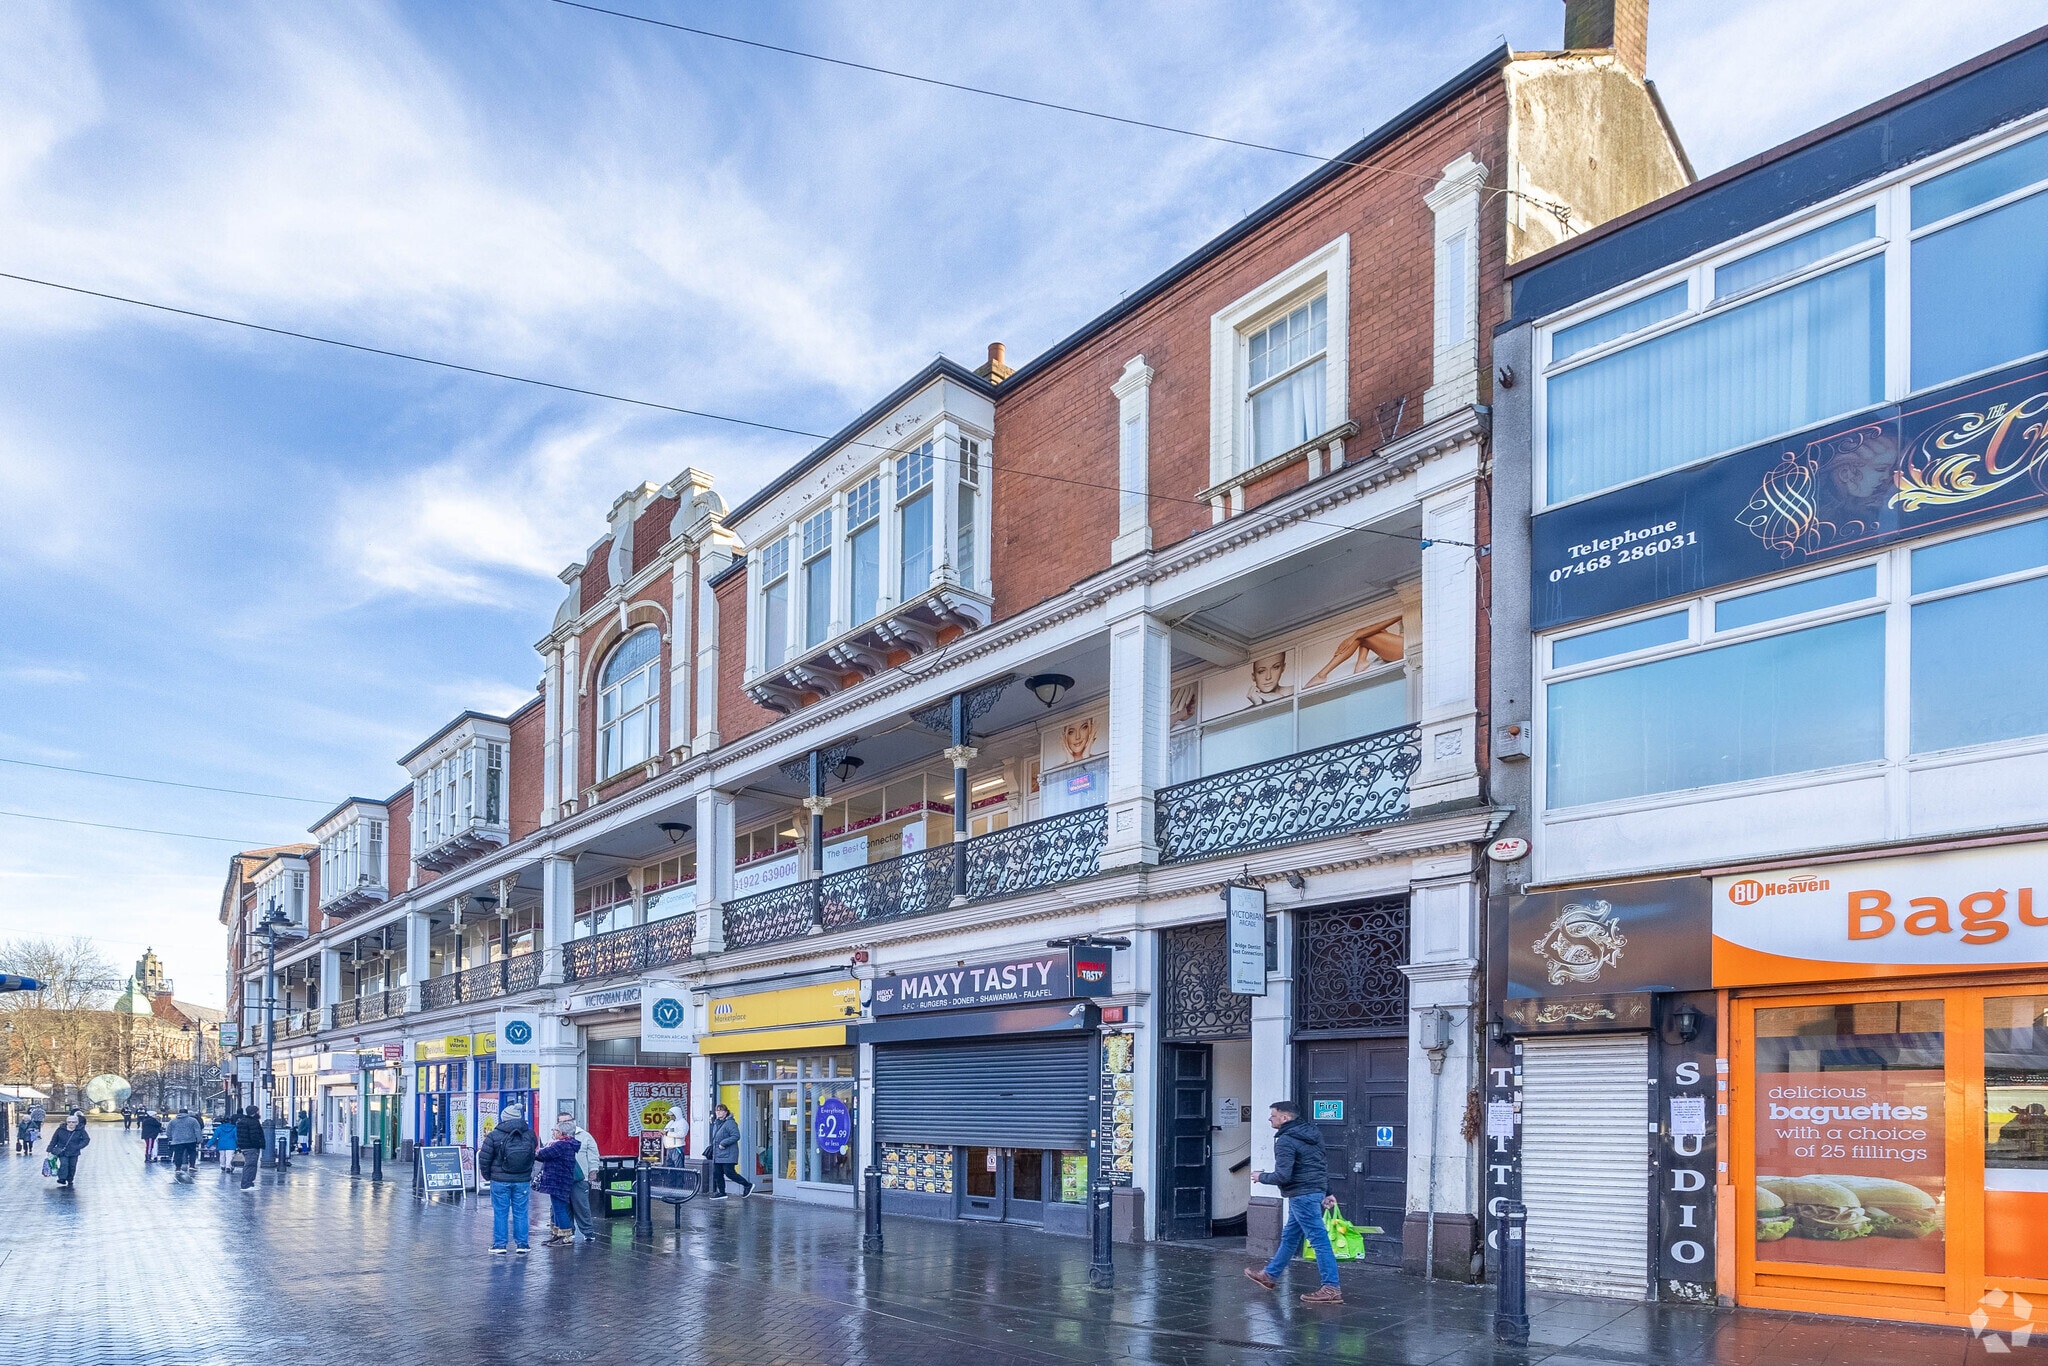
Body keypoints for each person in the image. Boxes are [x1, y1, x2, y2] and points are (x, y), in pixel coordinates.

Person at [1243, 1100, 1343, 1306]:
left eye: (1273, 1115)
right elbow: (1320, 1165)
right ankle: (1269, 1275)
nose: (1270, 1118)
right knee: (1290, 1236)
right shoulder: (1312, 1135)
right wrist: (1328, 1192)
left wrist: (1260, 1177)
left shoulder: (1286, 1140)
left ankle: (1331, 1288)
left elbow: (1283, 1176)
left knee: (1319, 1241)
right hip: (1313, 1192)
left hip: (1301, 1196)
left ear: (1285, 1118)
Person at [477, 1103, 537, 1254]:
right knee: (521, 1212)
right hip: (522, 1180)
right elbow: (532, 1155)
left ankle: (500, 1245)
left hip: (499, 1180)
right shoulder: (530, 1134)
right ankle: (523, 1244)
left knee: (501, 1212)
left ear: (504, 1118)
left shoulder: (494, 1135)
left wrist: (489, 1176)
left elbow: (484, 1159)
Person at [533, 1121, 582, 1246]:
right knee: (556, 1208)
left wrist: (530, 1151)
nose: (553, 1132)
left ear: (562, 1133)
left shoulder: (561, 1145)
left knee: (560, 1209)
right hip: (560, 1180)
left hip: (558, 1181)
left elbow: (542, 1154)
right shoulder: (566, 1144)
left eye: (555, 1130)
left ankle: (565, 1236)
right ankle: (557, 1234)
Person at [562, 1114, 601, 1243]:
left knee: (582, 1206)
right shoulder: (557, 1136)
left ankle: (588, 1232)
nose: (564, 1124)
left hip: (580, 1177)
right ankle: (568, 1231)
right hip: (561, 1179)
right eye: (561, 1122)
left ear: (573, 1121)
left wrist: (593, 1170)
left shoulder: (584, 1136)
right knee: (564, 1206)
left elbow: (593, 1154)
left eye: (567, 1121)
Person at [706, 1103, 751, 1198]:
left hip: (728, 1154)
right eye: (717, 1110)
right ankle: (721, 1192)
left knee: (729, 1173)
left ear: (726, 1112)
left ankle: (747, 1185)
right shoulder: (716, 1123)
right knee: (717, 1174)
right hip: (718, 1153)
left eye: (721, 1110)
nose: (718, 1112)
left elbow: (736, 1136)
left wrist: (723, 1143)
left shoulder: (730, 1123)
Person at [46, 1111, 90, 1187]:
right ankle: (62, 1178)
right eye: (69, 1122)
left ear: (77, 1123)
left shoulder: (80, 1130)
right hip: (62, 1151)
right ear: (67, 1122)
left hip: (74, 1152)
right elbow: (54, 1139)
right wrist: (49, 1149)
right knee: (64, 1164)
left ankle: (70, 1179)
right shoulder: (60, 1129)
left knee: (72, 1166)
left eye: (73, 1122)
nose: (71, 1124)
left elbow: (86, 1139)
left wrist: (78, 1146)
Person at [166, 1108, 203, 1178]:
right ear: (187, 1113)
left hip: (177, 1140)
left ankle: (178, 1167)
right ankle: (192, 1166)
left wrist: (171, 1138)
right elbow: (197, 1130)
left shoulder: (172, 1121)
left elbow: (168, 1131)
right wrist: (199, 1139)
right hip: (190, 1140)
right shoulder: (193, 1120)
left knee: (178, 1154)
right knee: (192, 1152)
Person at [234, 1106, 264, 1189]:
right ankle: (247, 1184)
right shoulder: (253, 1122)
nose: (259, 1113)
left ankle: (248, 1183)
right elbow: (255, 1136)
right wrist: (258, 1144)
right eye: (258, 1111)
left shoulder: (241, 1121)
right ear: (254, 1112)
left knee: (249, 1165)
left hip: (244, 1146)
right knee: (251, 1165)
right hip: (252, 1147)